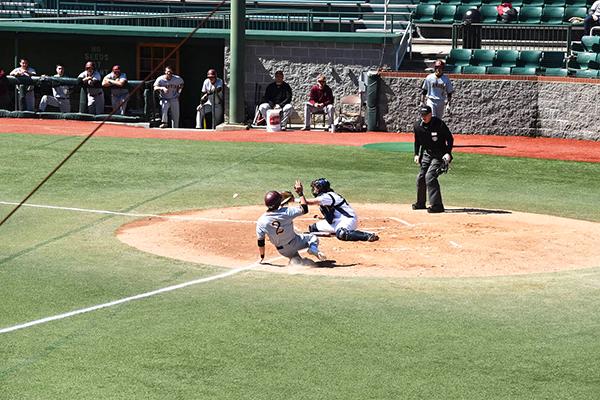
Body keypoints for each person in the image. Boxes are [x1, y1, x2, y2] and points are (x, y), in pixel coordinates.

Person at [256, 181, 326, 265]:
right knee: (313, 238)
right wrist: (300, 193)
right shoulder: (286, 212)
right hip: (295, 242)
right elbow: (304, 209)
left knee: (295, 259)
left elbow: (261, 242)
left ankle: (296, 261)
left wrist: (262, 255)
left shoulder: (261, 221)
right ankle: (313, 249)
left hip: (282, 251)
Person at [301, 178, 379, 242]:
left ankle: (368, 235)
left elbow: (308, 202)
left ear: (321, 188)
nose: (314, 190)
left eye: (316, 187)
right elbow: (331, 216)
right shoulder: (324, 197)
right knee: (313, 228)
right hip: (336, 221)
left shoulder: (328, 196)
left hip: (348, 220)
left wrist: (296, 198)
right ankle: (336, 231)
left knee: (342, 233)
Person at [412, 105, 454, 214]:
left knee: (430, 176)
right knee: (421, 177)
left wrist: (448, 153)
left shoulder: (438, 124)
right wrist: (416, 154)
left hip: (440, 154)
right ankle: (420, 203)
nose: (423, 117)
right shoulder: (417, 126)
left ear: (430, 114)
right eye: (422, 115)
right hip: (427, 153)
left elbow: (449, 138)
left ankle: (437, 205)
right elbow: (417, 141)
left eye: (425, 115)